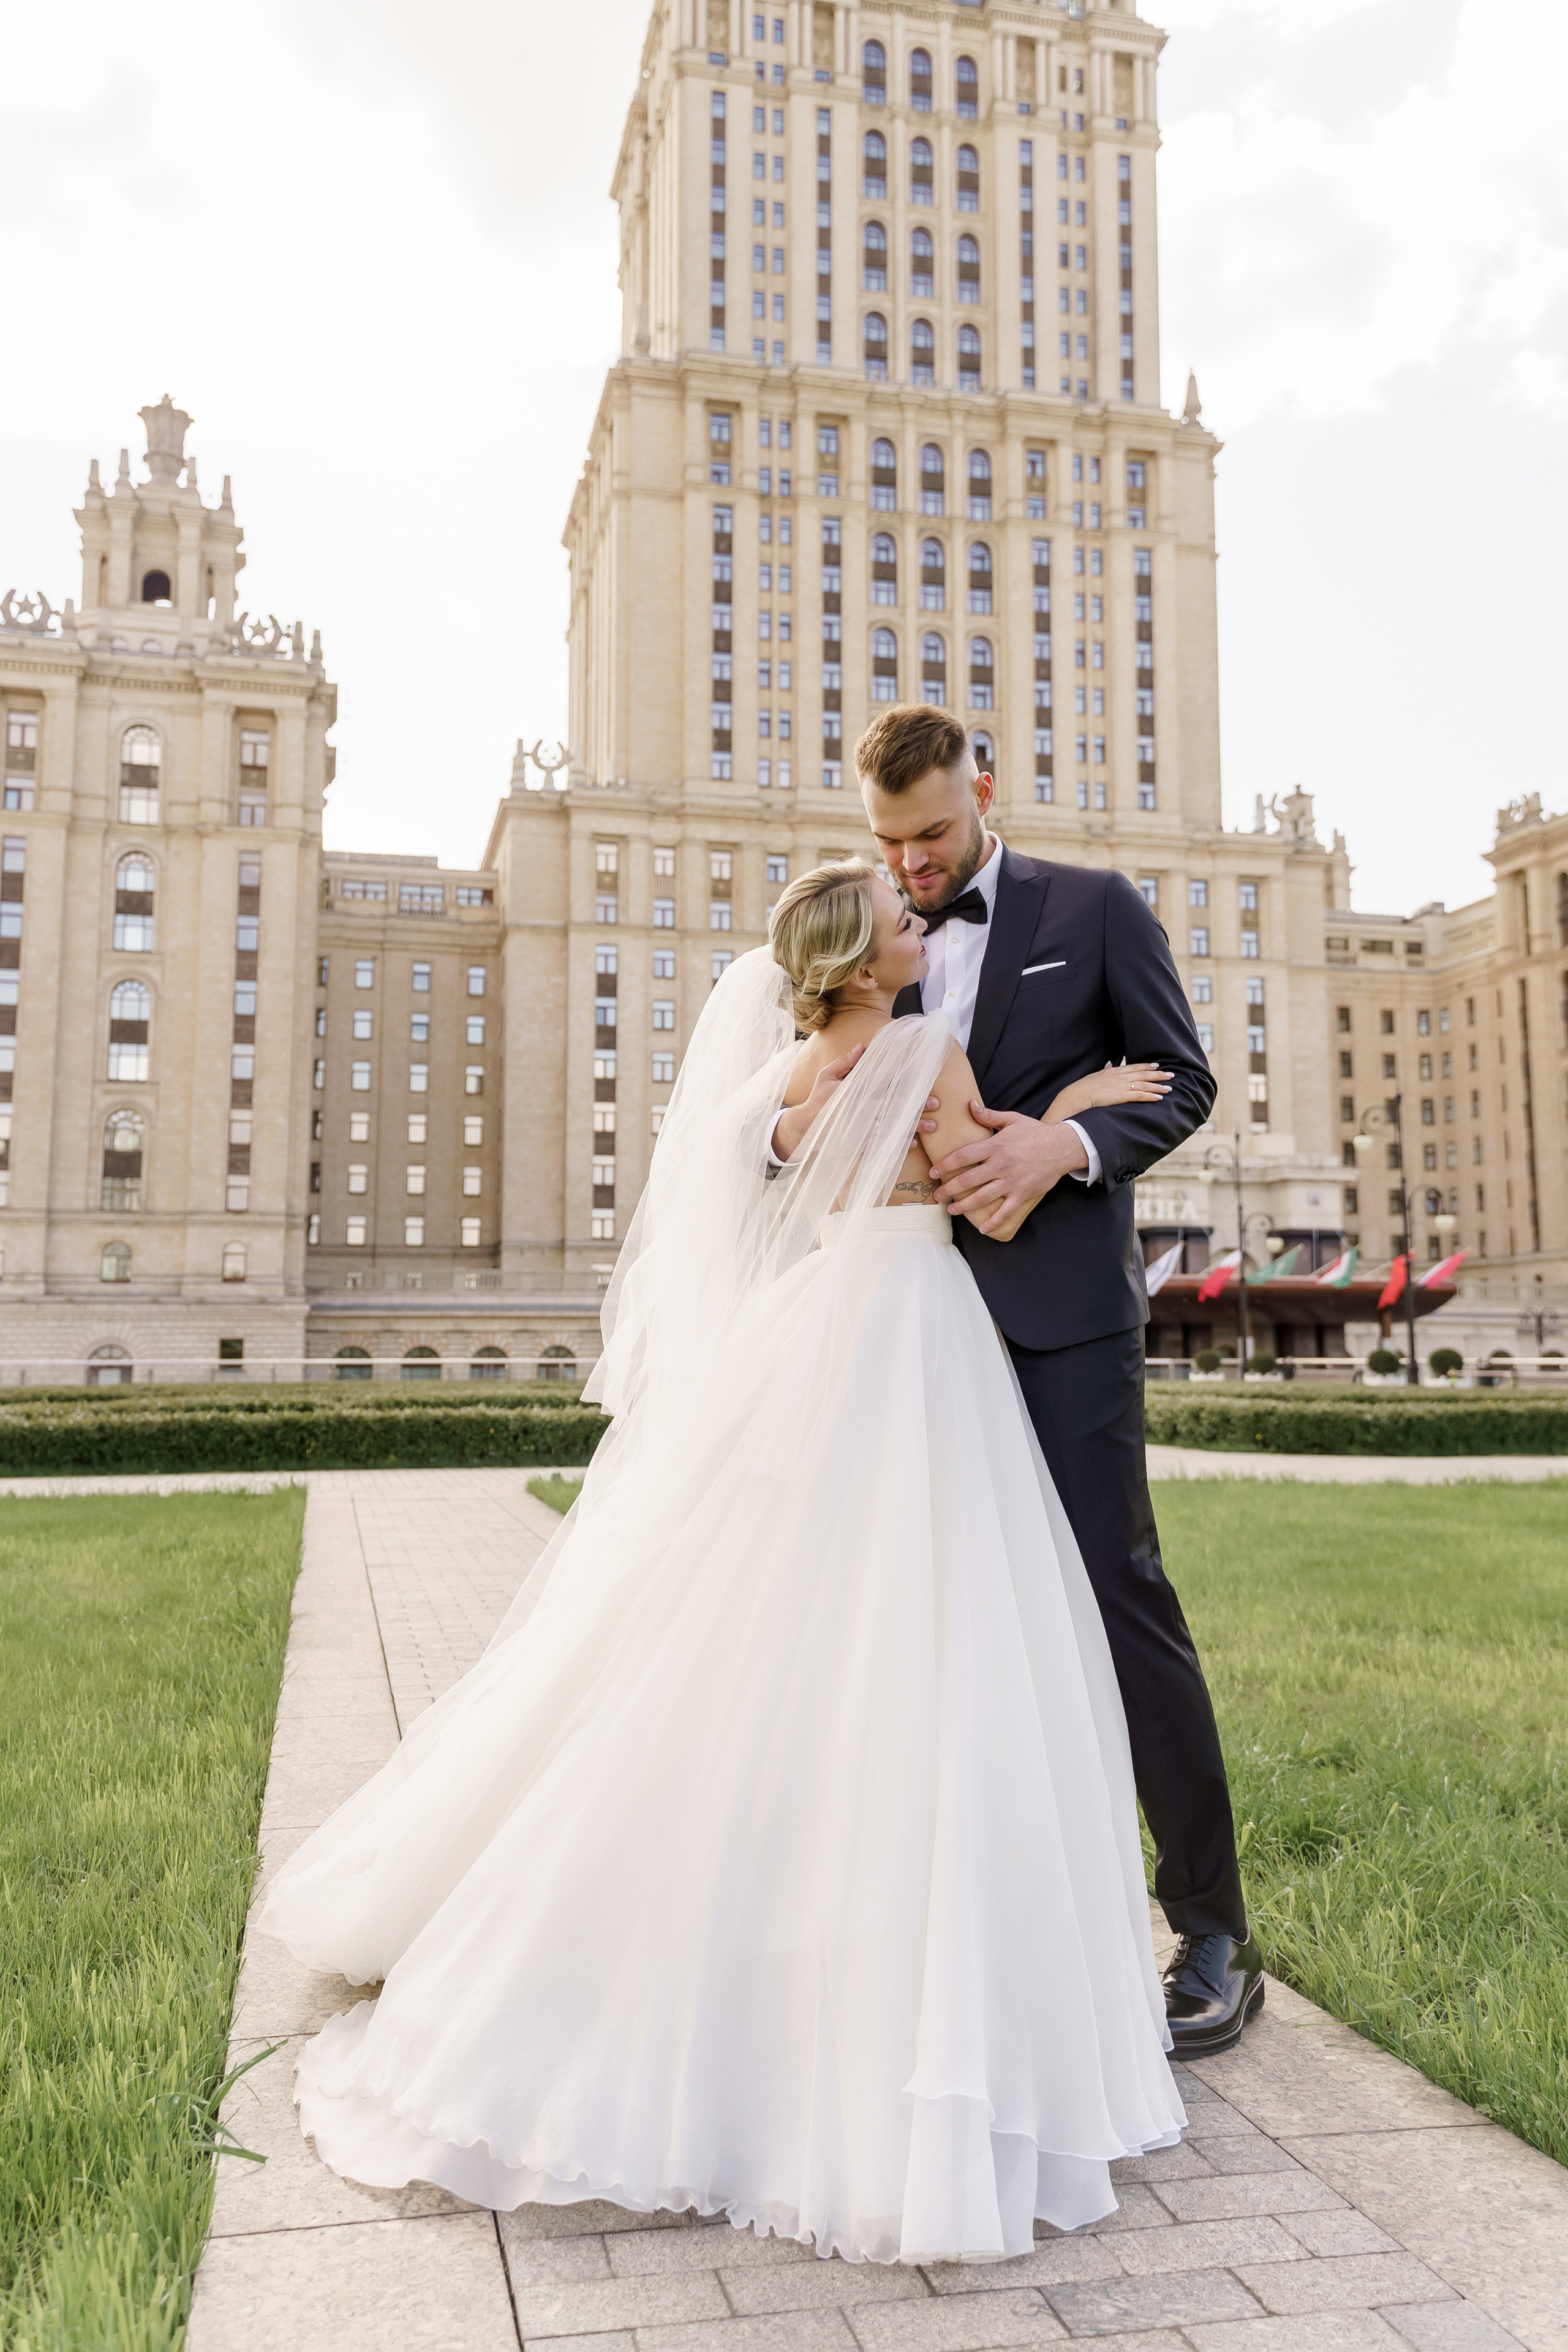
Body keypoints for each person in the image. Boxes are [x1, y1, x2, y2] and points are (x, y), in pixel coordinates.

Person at [261, 859, 1186, 2263]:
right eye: (894, 921)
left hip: (819, 1324)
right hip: (915, 1326)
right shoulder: (928, 1047)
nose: (914, 925)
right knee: (928, 1626)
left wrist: (1026, 1120)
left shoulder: (779, 1081)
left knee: (780, 1615)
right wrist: (1069, 1112)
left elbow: (809, 1185)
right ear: (866, 962)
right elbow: (981, 1180)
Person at [778, 705, 1262, 2057]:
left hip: (1058, 1324)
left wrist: (1064, 1150)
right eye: (889, 842)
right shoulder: (863, 928)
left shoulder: (1095, 907)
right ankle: (961, 1928)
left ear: (978, 792)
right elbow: (803, 1088)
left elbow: (1179, 1082)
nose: (915, 864)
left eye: (931, 833)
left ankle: (1211, 1929)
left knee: (1117, 1597)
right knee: (907, 1619)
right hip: (899, 1326)